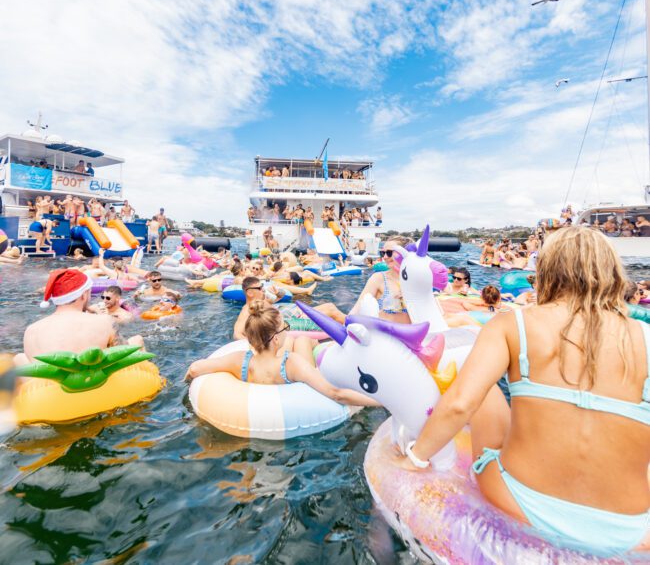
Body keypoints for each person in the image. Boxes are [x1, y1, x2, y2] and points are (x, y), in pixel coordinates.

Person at [397, 226, 650, 557]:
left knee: (484, 391)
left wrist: (414, 460)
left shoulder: (512, 324)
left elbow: (460, 404)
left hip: (523, 503)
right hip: (631, 528)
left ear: (546, 270)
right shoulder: (645, 336)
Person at [186, 302, 380, 409]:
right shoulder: (291, 364)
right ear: (276, 338)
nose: (287, 331)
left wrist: (189, 383)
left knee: (298, 341)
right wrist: (382, 402)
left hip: (256, 386)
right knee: (302, 340)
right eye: (285, 328)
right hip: (295, 393)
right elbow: (336, 394)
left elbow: (195, 368)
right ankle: (311, 343)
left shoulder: (239, 360)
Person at [16, 269, 143, 366]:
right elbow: (123, 353)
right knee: (137, 340)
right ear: (83, 295)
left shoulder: (31, 330)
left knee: (19, 358)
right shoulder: (104, 321)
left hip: (46, 394)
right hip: (93, 387)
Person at [350, 239, 409, 323]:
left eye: (389, 253)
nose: (385, 257)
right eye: (382, 253)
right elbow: (358, 308)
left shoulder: (416, 281)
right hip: (382, 333)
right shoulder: (378, 278)